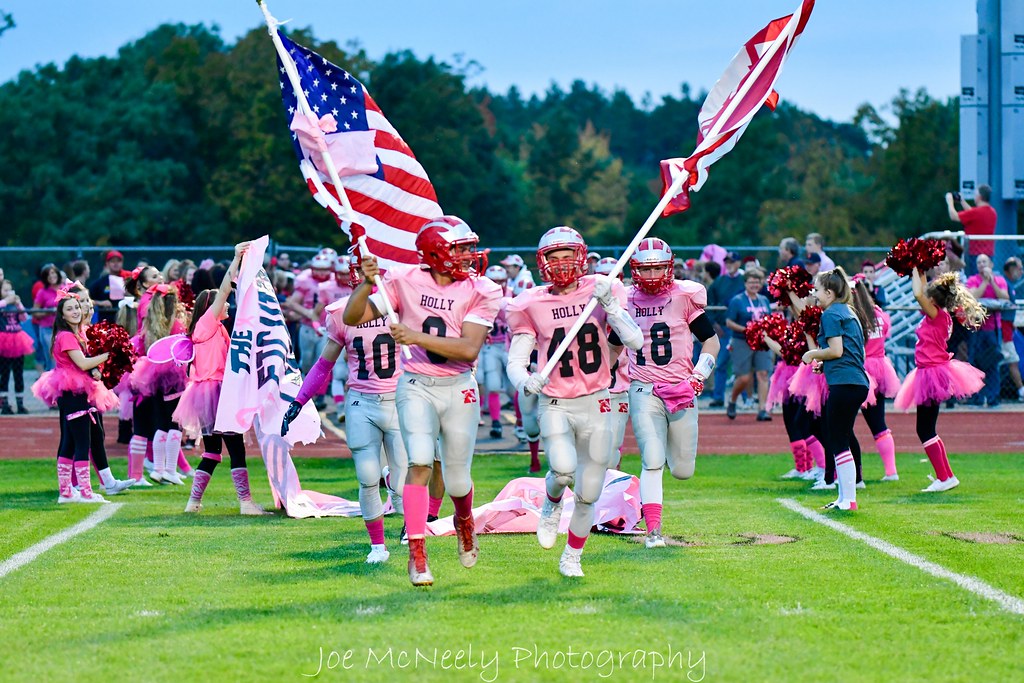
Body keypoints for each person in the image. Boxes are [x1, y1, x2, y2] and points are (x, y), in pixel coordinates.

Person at [342, 216, 502, 587]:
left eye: (468, 247)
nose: (468, 255)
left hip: (459, 385)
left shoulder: (483, 289)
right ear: (436, 252)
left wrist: (413, 335)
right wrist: (367, 284)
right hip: (415, 384)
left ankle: (464, 522)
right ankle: (417, 553)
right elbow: (353, 316)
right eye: (460, 248)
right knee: (418, 463)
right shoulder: (404, 280)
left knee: (458, 478)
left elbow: (468, 348)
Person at [506, 226, 643, 577]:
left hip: (597, 399)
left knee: (588, 492)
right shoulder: (529, 302)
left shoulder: (602, 288)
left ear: (582, 257)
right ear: (543, 262)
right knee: (564, 470)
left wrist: (612, 307)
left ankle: (572, 556)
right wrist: (526, 380)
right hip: (555, 401)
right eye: (555, 257)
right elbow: (516, 361)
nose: (563, 264)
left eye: (569, 256)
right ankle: (551, 504)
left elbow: (635, 341)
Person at [624, 238, 718, 548]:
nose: (651, 276)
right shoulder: (625, 300)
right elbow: (611, 346)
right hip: (643, 388)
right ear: (635, 270)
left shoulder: (684, 296)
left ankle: (661, 458)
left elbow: (711, 342)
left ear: (669, 267)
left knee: (682, 470)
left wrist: (698, 375)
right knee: (651, 459)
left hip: (680, 388)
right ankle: (653, 531)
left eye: (658, 269)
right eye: (645, 269)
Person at [177, 243, 268, 516]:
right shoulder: (207, 323)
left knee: (213, 452)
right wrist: (236, 258)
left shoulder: (214, 329)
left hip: (207, 394)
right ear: (210, 306)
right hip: (216, 393)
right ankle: (246, 503)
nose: (226, 303)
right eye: (220, 301)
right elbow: (227, 287)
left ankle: (193, 503)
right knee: (236, 449)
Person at [895, 268, 986, 492]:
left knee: (925, 429)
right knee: (928, 428)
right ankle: (945, 476)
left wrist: (915, 268)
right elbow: (923, 291)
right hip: (931, 372)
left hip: (931, 373)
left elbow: (918, 294)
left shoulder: (937, 315)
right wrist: (920, 268)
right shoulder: (938, 314)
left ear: (934, 299)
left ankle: (945, 477)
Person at [31, 290, 123, 503]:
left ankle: (66, 493)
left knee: (70, 442)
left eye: (76, 307)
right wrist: (108, 355)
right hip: (73, 392)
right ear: (62, 315)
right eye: (69, 309)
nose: (75, 311)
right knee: (83, 441)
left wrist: (97, 369)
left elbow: (84, 364)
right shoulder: (66, 336)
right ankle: (86, 493)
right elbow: (82, 363)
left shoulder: (78, 334)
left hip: (75, 390)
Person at [800, 268, 870, 511]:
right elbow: (847, 352)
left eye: (817, 290)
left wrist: (812, 354)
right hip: (853, 381)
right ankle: (844, 498)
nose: (815, 294)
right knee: (839, 439)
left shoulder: (831, 314)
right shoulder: (848, 311)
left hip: (846, 384)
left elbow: (837, 350)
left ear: (829, 293)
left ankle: (848, 500)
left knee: (838, 440)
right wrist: (825, 365)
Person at [129, 284, 189, 485]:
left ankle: (158, 469)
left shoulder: (149, 327)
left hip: (153, 381)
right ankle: (170, 469)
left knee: (161, 425)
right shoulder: (176, 326)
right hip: (175, 381)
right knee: (175, 424)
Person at [851, 277, 900, 481]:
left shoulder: (855, 316)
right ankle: (891, 472)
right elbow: (885, 332)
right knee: (879, 423)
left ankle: (855, 476)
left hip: (861, 369)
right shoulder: (880, 313)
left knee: (845, 424)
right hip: (880, 368)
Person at [725, 268, 773, 421]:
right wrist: (747, 330)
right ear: (745, 283)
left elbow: (769, 319)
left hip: (761, 341)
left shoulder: (764, 300)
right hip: (742, 341)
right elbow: (729, 322)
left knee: (763, 374)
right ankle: (732, 401)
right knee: (744, 377)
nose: (754, 285)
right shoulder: (737, 300)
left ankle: (762, 409)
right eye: (751, 282)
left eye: (757, 282)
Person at [964, 253, 1008, 407]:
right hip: (976, 328)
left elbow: (1004, 298)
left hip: (993, 328)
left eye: (984, 262)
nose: (982, 265)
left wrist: (992, 282)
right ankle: (976, 397)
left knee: (993, 362)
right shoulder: (972, 280)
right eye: (979, 262)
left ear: (991, 264)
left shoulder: (1000, 280)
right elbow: (972, 297)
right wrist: (984, 282)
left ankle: (993, 398)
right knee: (974, 363)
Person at [288, 249, 334, 383]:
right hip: (308, 326)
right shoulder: (305, 280)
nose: (322, 272)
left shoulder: (333, 281)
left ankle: (318, 392)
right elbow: (292, 302)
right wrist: (308, 313)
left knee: (321, 360)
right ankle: (303, 385)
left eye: (325, 269)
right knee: (307, 360)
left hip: (327, 326)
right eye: (318, 269)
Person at [706, 251, 745, 407]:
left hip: (740, 330)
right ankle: (718, 396)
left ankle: (745, 398)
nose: (729, 264)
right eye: (727, 262)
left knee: (740, 365)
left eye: (732, 262)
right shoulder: (719, 282)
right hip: (722, 329)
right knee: (721, 363)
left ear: (738, 263)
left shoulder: (744, 281)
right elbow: (709, 305)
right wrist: (714, 325)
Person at [479, 265, 511, 439]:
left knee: (516, 389)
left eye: (501, 281)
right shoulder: (482, 297)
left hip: (509, 347)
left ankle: (522, 424)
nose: (499, 285)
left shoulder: (514, 293)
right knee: (492, 386)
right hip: (490, 348)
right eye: (495, 281)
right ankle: (496, 423)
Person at [0, 280, 34, 414]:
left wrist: (18, 303)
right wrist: (6, 301)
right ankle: (5, 403)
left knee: (18, 373)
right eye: (5, 290)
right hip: (4, 340)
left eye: (10, 290)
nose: (8, 293)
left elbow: (25, 317)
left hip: (17, 340)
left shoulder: (15, 304)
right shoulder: (3, 304)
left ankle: (20, 403)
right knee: (5, 374)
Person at [945, 184, 996, 274]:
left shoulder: (976, 213)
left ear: (979, 197)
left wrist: (950, 202)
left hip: (974, 254)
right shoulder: (992, 212)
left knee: (972, 280)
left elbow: (954, 216)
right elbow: (972, 212)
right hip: (988, 254)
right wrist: (962, 201)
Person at [1001, 257, 1024, 401]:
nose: (1021, 272)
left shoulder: (1009, 284)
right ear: (1011, 269)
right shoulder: (1004, 283)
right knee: (1012, 360)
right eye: (1019, 268)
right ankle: (1021, 390)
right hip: (1002, 330)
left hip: (1008, 327)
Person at [33, 265, 63, 372]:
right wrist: (47, 312)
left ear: (57, 274)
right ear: (45, 278)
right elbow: (35, 312)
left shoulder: (64, 288)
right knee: (52, 358)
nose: (51, 276)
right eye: (48, 274)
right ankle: (51, 381)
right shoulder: (42, 292)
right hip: (48, 329)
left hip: (63, 328)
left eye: (53, 273)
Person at [89, 250, 128, 324]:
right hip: (106, 323)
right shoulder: (100, 283)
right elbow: (87, 300)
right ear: (107, 264)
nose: (116, 264)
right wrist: (101, 303)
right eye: (113, 261)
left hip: (126, 321)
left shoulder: (128, 280)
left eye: (118, 261)